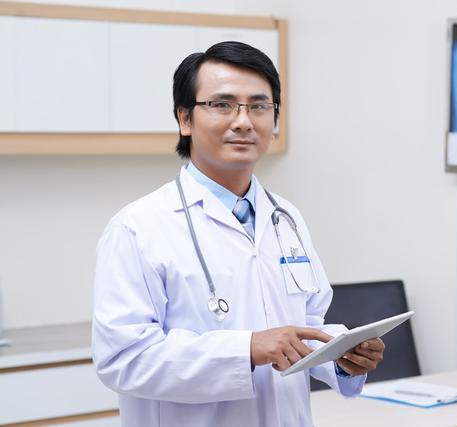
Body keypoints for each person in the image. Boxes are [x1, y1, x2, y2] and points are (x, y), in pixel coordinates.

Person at [92, 41, 385, 427]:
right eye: (222, 104)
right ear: (185, 119)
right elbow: (123, 359)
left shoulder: (286, 218)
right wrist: (246, 349)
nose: (244, 121)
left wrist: (343, 356)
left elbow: (307, 322)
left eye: (259, 106)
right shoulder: (138, 228)